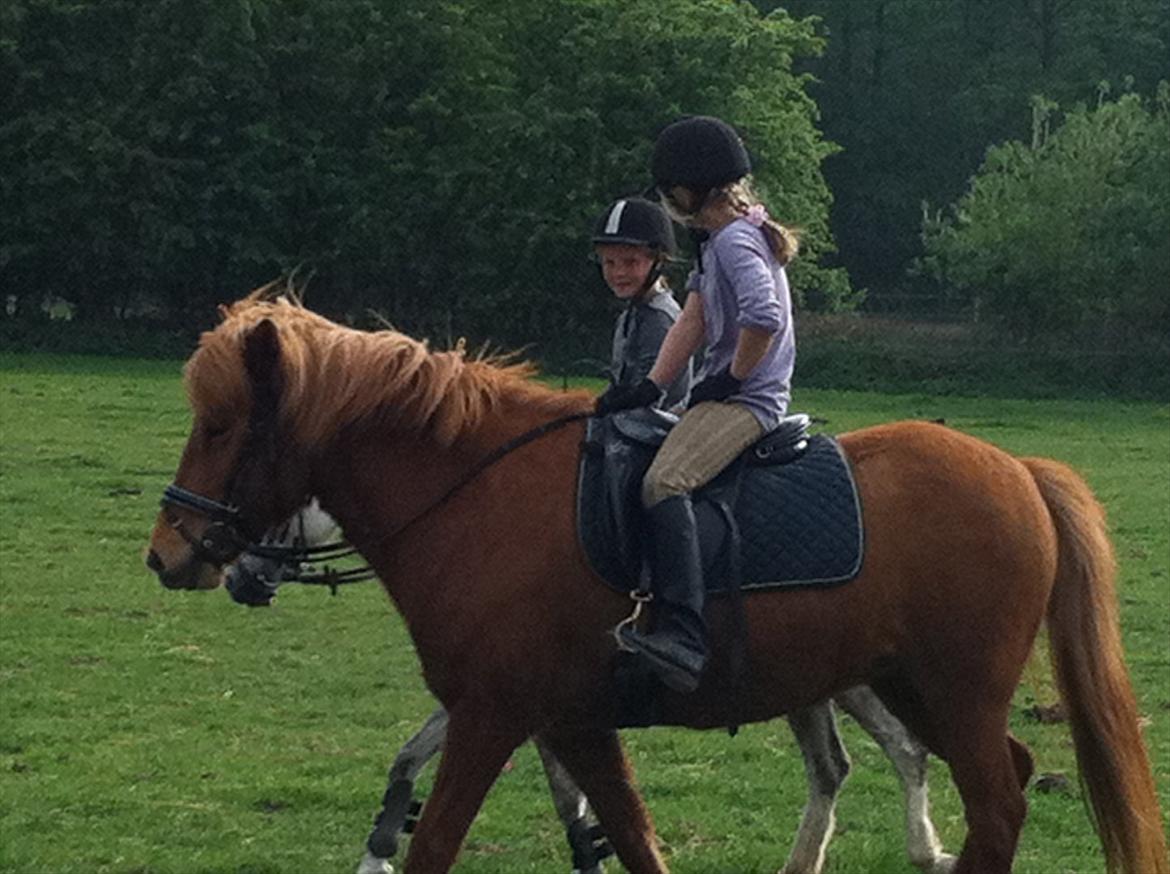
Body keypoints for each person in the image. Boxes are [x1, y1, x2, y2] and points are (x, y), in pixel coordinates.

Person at [595, 115, 799, 694]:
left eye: (670, 188)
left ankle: (684, 636)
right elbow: (695, 317)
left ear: (691, 188)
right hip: (736, 390)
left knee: (665, 483)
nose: (667, 197)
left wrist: (732, 379)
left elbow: (765, 317)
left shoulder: (733, 241)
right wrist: (651, 387)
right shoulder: (720, 241)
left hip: (751, 400)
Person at [592, 196, 690, 411]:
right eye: (609, 262)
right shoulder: (630, 315)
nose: (618, 272)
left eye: (631, 262)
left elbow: (646, 402)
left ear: (659, 261)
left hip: (655, 432)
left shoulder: (659, 319)